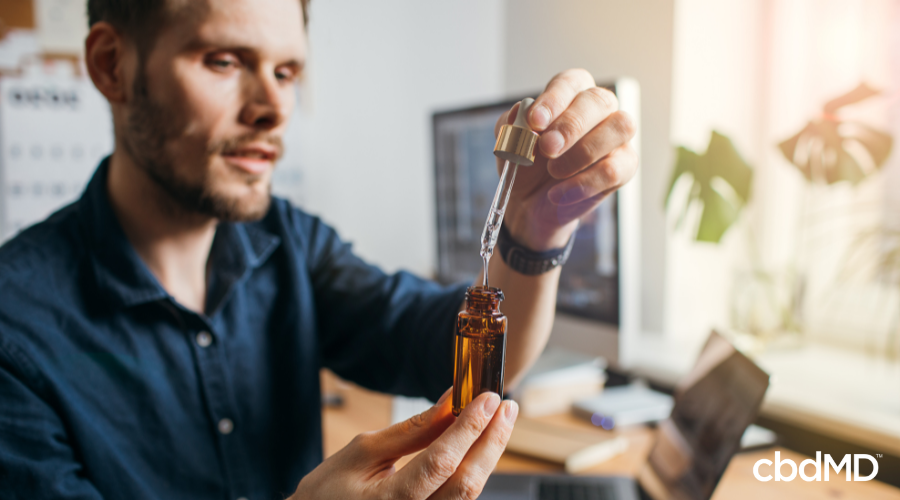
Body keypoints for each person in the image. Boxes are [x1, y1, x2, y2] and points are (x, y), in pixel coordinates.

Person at [0, 0, 637, 498]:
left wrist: (536, 228)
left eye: (287, 72)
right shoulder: (17, 328)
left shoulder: (289, 244)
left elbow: (452, 350)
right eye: (223, 61)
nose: (275, 107)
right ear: (113, 65)